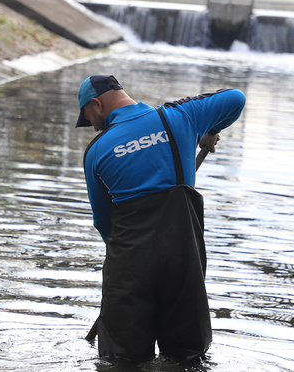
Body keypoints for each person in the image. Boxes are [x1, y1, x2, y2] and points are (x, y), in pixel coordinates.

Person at [76, 74, 245, 363]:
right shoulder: (180, 117)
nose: (91, 124)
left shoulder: (96, 151)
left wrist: (128, 264)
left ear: (97, 104)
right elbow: (235, 98)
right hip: (183, 261)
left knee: (121, 362)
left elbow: (103, 221)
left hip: (129, 267)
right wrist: (207, 129)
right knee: (188, 359)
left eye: (88, 116)